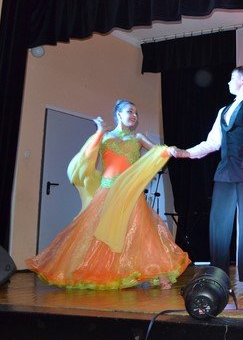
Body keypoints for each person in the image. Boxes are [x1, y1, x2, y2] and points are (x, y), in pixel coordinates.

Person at [27, 99, 190, 290]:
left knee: (142, 231)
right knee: (96, 231)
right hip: (107, 190)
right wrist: (99, 132)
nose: (134, 116)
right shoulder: (105, 137)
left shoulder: (137, 138)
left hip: (129, 192)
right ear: (119, 114)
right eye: (130, 111)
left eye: (136, 113)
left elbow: (156, 151)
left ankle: (160, 274)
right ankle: (98, 272)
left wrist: (169, 150)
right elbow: (87, 156)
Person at [170, 65, 243, 290]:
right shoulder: (223, 111)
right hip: (226, 170)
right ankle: (219, 274)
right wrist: (186, 153)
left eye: (231, 78)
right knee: (219, 223)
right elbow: (213, 142)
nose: (228, 82)